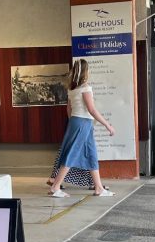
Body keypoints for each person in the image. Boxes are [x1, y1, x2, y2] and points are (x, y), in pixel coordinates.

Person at [49, 59, 115, 197]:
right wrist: (107, 125)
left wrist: (73, 122)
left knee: (91, 154)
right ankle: (55, 186)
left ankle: (99, 188)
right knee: (72, 153)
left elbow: (69, 109)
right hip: (83, 123)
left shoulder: (72, 89)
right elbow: (92, 110)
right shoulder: (86, 88)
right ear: (86, 72)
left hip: (77, 122)